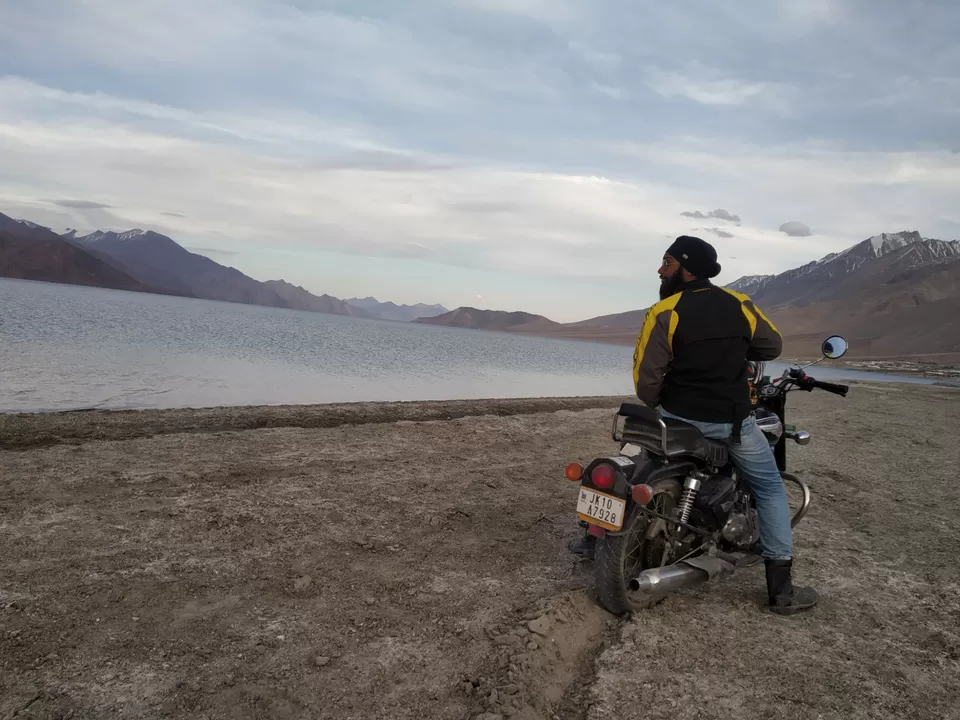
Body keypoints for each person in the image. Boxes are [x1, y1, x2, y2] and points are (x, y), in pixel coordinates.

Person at [571, 235, 819, 616]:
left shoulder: (665, 311)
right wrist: (733, 348)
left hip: (674, 417)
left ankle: (594, 538)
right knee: (770, 489)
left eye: (666, 263)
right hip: (729, 421)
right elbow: (771, 346)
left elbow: (645, 378)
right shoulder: (739, 304)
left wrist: (663, 403)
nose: (660, 269)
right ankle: (781, 591)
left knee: (635, 457)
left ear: (687, 268)